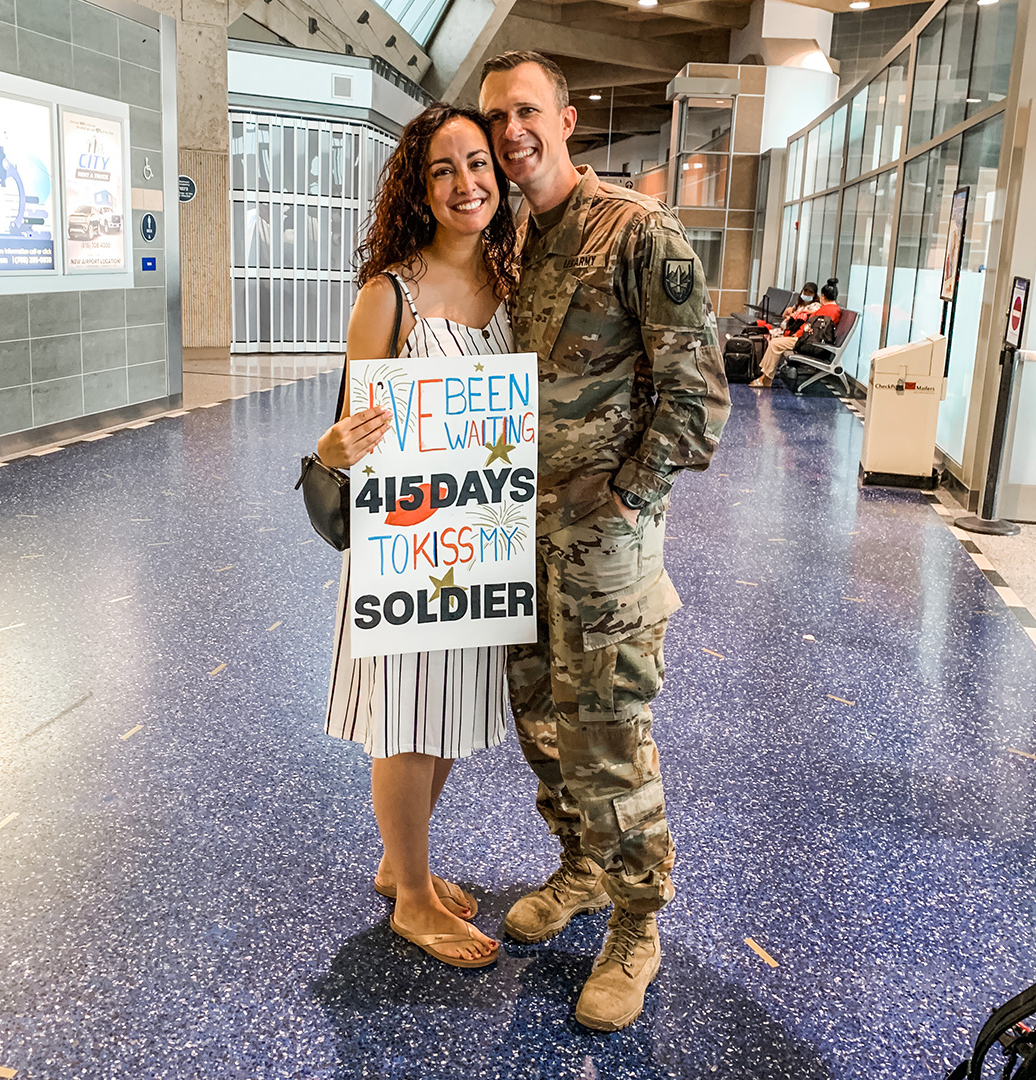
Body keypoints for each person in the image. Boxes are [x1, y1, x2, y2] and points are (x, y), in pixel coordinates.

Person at [479, 52, 731, 1029]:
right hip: (522, 537)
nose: (512, 134)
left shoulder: (640, 233)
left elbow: (699, 395)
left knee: (609, 736)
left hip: (605, 546)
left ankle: (637, 923)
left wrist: (626, 499)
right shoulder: (518, 244)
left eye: (528, 112)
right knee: (540, 719)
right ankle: (582, 867)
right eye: (499, 117)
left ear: (569, 119)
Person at [317, 103, 517, 969]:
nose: (465, 183)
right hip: (407, 543)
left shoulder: (514, 284)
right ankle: (413, 898)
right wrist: (329, 449)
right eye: (443, 169)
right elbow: (351, 434)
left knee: (447, 714)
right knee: (406, 718)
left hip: (478, 538)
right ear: (419, 187)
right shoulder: (387, 294)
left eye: (478, 164)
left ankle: (402, 864)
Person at [750, 278, 841, 388]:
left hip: (809, 343)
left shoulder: (827, 310)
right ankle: (764, 376)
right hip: (808, 340)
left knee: (775, 344)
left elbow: (812, 329)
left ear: (822, 296)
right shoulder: (832, 310)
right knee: (775, 342)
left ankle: (766, 379)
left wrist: (797, 334)